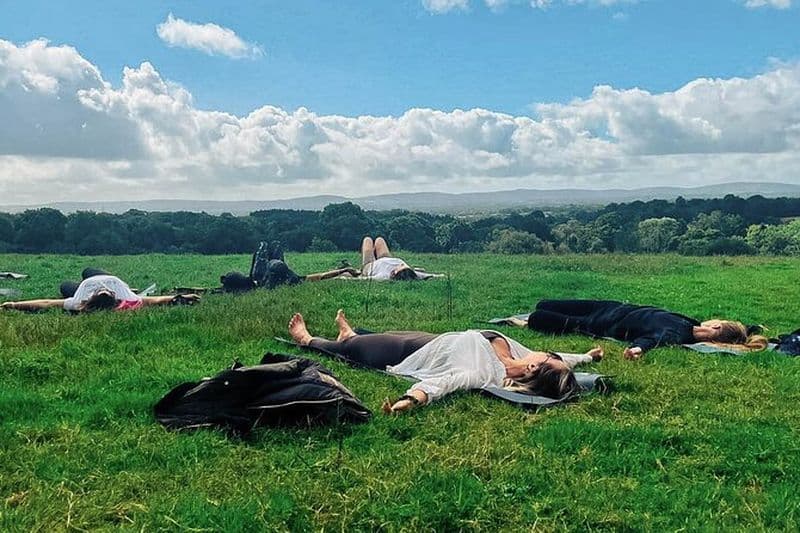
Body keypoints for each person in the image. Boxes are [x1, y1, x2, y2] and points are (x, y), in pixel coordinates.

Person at [288, 309, 602, 414]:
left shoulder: (481, 373)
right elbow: (564, 361)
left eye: (548, 357)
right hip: (433, 340)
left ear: (535, 368)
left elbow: (445, 384)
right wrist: (587, 356)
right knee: (374, 334)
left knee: (354, 349)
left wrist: (411, 398)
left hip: (406, 352)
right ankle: (351, 333)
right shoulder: (521, 354)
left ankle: (309, 339)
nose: (549, 353)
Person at [518, 299, 768, 360]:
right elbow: (742, 332)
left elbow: (651, 340)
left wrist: (637, 349)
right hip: (605, 306)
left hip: (596, 324)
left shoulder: (677, 336)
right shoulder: (689, 322)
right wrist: (746, 332)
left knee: (537, 316)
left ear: (716, 326)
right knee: (545, 303)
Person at [2, 270, 199, 312]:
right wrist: (178, 298)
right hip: (109, 277)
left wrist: (13, 304)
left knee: (65, 286)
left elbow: (47, 303)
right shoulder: (125, 297)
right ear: (113, 297)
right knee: (88, 270)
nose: (103, 289)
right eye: (107, 292)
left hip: (84, 283)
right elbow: (154, 301)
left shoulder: (79, 300)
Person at [359, 236, 438, 281]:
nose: (401, 264)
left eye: (401, 265)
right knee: (380, 240)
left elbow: (365, 279)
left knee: (367, 240)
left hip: (370, 265)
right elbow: (430, 275)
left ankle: (364, 265)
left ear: (394, 273)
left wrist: (347, 278)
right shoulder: (410, 273)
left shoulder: (383, 276)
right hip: (386, 258)